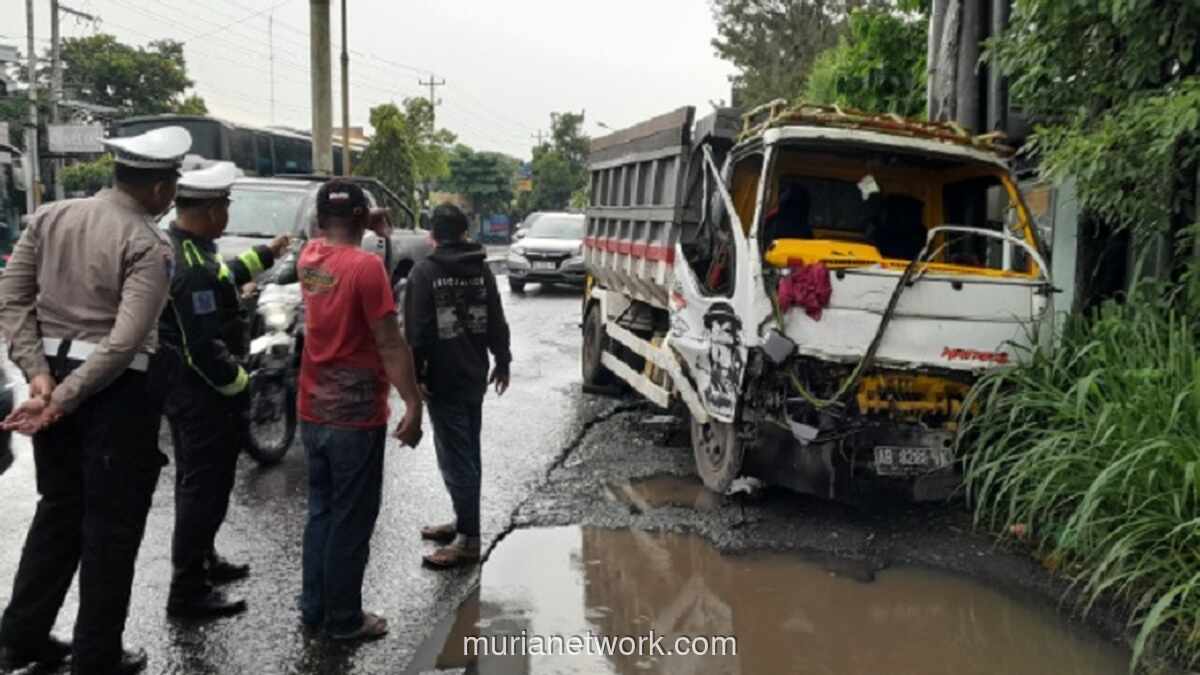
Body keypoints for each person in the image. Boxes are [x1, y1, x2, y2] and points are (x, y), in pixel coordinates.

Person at [0, 126, 191, 675]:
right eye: (172, 184)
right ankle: (97, 656)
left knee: (58, 512)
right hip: (114, 395)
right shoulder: (148, 242)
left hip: (55, 383)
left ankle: (21, 638)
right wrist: (63, 397)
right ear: (158, 189)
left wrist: (38, 376)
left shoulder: (49, 217)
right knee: (111, 528)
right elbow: (126, 339)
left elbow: (12, 301)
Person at [158, 161, 290, 619]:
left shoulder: (193, 249)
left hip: (188, 392)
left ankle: (205, 559)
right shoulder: (189, 265)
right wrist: (240, 384)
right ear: (212, 210)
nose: (228, 214)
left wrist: (267, 254)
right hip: (202, 394)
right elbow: (201, 346)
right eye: (226, 206)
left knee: (200, 484)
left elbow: (223, 278)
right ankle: (188, 590)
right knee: (204, 489)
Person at [296, 180, 423, 641]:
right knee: (351, 519)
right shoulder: (366, 268)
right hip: (355, 416)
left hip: (312, 409)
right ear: (359, 218)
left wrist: (360, 224)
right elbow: (390, 341)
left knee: (322, 513)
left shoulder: (309, 257)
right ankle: (344, 619)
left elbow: (326, 232)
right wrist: (413, 401)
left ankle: (313, 608)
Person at [405, 203, 512, 569]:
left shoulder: (425, 273)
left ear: (433, 235)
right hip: (473, 375)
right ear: (464, 233)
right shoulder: (480, 270)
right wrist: (503, 361)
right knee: (468, 453)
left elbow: (417, 331)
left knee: (456, 458)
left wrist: (415, 376)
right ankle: (463, 521)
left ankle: (468, 538)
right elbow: (497, 318)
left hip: (442, 379)